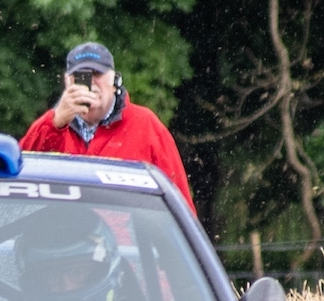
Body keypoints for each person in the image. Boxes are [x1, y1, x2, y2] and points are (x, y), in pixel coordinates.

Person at [19, 41, 196, 212]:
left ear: (114, 80)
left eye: (97, 73)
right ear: (68, 82)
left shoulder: (145, 125)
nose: (90, 83)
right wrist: (56, 123)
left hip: (124, 241)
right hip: (59, 239)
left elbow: (178, 203)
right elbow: (17, 176)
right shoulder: (50, 126)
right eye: (81, 75)